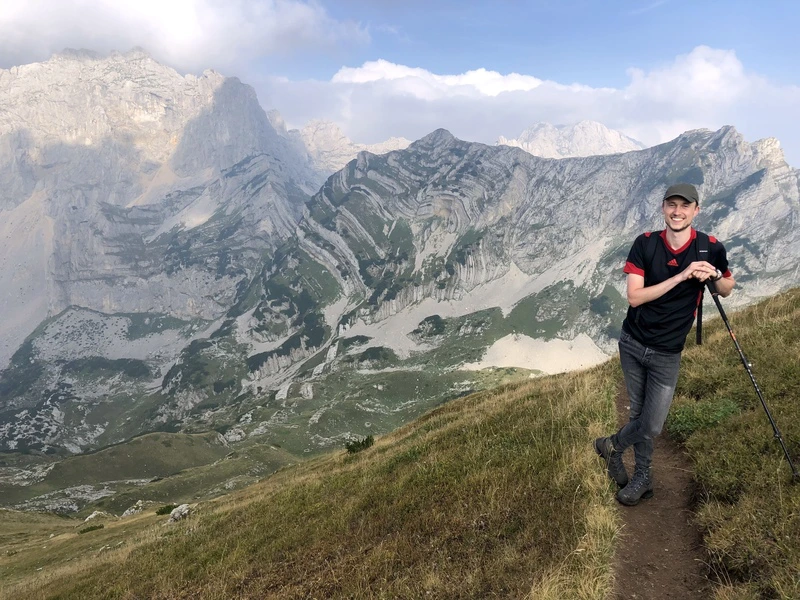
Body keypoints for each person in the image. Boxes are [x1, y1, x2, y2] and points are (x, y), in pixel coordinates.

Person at [595, 183, 735, 506]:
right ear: (662, 208)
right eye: (671, 205)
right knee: (640, 411)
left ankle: (612, 446)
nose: (677, 211)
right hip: (632, 343)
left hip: (667, 353)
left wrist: (712, 274)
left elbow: (727, 286)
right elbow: (634, 296)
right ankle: (643, 477)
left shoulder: (710, 247)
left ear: (696, 211)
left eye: (684, 206)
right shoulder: (645, 244)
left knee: (652, 424)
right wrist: (682, 275)